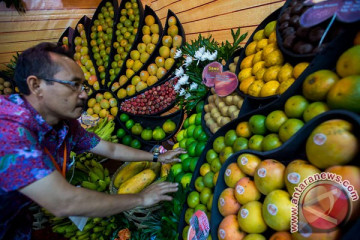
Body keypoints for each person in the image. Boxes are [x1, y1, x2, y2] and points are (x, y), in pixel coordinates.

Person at [0, 42, 186, 239]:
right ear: (36, 86)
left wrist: (158, 157)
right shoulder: (9, 131)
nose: (85, 94)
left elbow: (110, 150)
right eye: (74, 85)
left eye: (83, 85)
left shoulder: (63, 123)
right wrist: (141, 198)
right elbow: (64, 202)